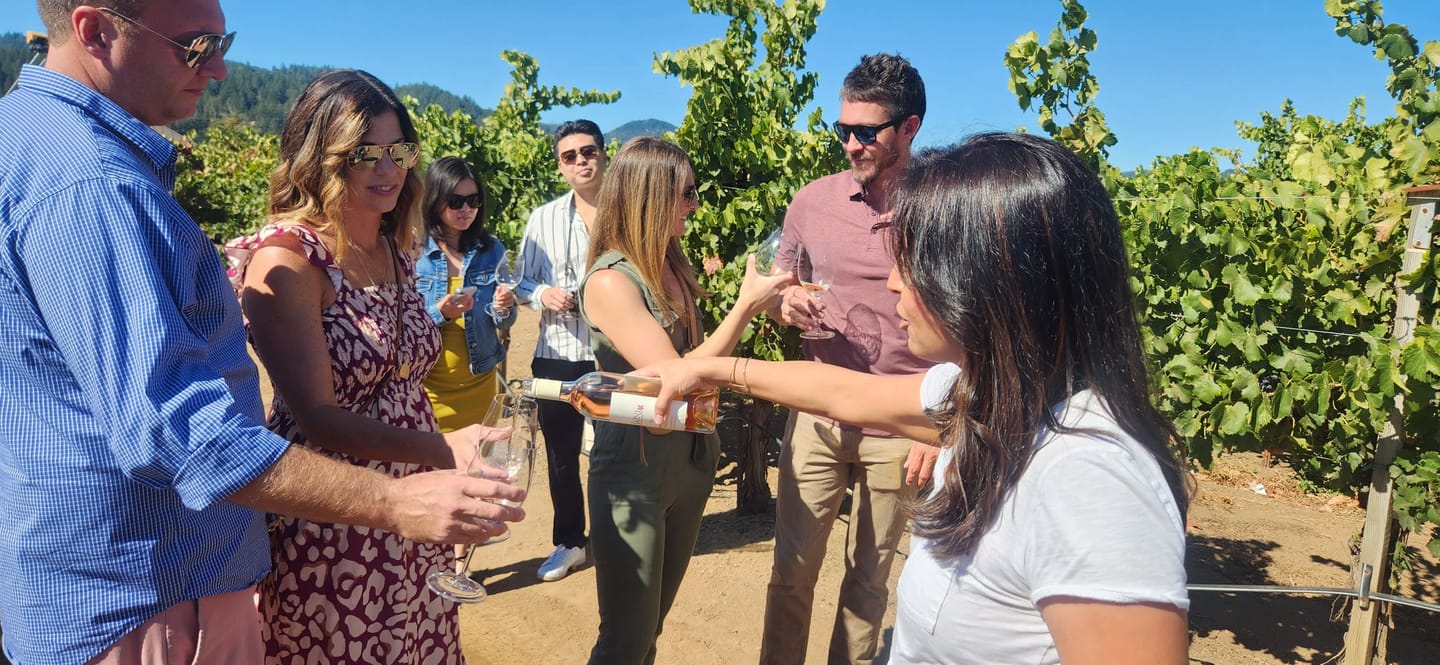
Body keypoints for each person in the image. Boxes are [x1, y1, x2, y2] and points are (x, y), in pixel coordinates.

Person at [0, 3, 520, 665]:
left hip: (132, 585)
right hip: (151, 595)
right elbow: (183, 433)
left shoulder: (38, 142)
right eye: (195, 47)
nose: (219, 69)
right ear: (96, 30)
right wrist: (399, 495)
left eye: (224, 43)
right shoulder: (89, 182)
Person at [639, 133, 1193, 665]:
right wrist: (713, 368)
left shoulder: (1089, 477)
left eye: (916, 259)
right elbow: (844, 392)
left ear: (987, 278)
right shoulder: (989, 395)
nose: (894, 283)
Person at [227, 70, 507, 663]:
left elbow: (404, 375)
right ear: (322, 157)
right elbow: (318, 417)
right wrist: (445, 449)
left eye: (400, 151)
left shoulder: (393, 247)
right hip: (338, 517)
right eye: (366, 153)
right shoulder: (289, 259)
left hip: (414, 502)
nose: (389, 169)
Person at [577, 137, 792, 665]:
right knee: (624, 640)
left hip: (692, 456)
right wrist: (745, 307)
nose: (696, 204)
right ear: (649, 197)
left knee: (651, 629)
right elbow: (680, 376)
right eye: (687, 193)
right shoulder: (609, 281)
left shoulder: (671, 262)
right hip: (636, 465)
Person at [766, 52, 935, 664]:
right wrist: (785, 305)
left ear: (909, 128)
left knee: (868, 586)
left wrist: (939, 430)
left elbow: (974, 325)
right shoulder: (810, 202)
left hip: (900, 423)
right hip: (816, 414)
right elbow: (781, 285)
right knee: (790, 575)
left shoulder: (939, 209)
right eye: (843, 130)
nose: (851, 144)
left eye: (868, 132)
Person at [514, 119, 606, 582]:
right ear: (560, 167)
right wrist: (541, 294)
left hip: (612, 351)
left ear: (604, 155)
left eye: (587, 152)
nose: (580, 161)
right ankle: (571, 542)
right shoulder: (542, 218)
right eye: (569, 156)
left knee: (617, 451)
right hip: (556, 350)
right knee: (562, 455)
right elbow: (520, 281)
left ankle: (617, 540)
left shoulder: (625, 213)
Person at [416, 157, 517, 431]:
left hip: (480, 386)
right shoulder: (413, 252)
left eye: (473, 201)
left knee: (477, 467)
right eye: (455, 201)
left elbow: (504, 322)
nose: (466, 209)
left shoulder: (491, 250)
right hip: (427, 389)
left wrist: (504, 306)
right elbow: (400, 324)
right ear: (435, 200)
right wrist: (441, 312)